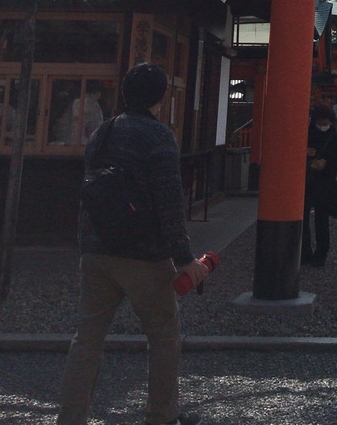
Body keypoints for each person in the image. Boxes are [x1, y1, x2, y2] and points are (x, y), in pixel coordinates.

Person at [57, 63, 208, 425]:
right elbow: (169, 202)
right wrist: (185, 258)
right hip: (144, 254)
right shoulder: (159, 136)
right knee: (163, 334)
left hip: (96, 247)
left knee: (87, 337)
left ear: (124, 94)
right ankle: (162, 414)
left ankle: (71, 417)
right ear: (161, 97)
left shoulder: (103, 132)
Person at [302, 104, 337, 267]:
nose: (324, 125)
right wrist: (305, 156)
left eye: (326, 122)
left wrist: (326, 165)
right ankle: (305, 251)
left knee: (321, 219)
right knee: (305, 218)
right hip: (310, 181)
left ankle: (319, 253)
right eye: (321, 122)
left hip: (324, 182)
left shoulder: (333, 137)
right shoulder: (307, 134)